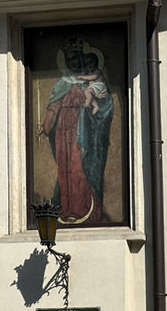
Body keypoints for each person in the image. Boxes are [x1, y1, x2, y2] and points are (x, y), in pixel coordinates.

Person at [36, 37, 114, 224]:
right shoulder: (63, 82)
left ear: (81, 58)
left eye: (75, 58)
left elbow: (106, 103)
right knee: (65, 168)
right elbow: (54, 106)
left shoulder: (92, 78)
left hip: (83, 130)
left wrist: (98, 106)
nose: (72, 62)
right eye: (69, 59)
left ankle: (85, 209)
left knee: (80, 166)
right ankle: (67, 208)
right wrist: (45, 125)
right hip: (64, 130)